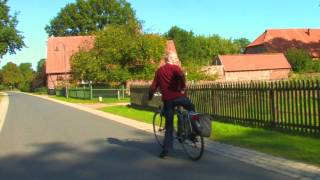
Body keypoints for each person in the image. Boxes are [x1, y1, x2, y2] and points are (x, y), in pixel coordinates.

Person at [148, 52, 195, 159]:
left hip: (168, 101)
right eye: (175, 58)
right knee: (191, 108)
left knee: (169, 125)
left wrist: (150, 96)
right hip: (179, 97)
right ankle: (192, 131)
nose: (176, 60)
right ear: (171, 59)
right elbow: (181, 75)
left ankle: (166, 150)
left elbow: (153, 87)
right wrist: (182, 87)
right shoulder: (175, 68)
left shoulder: (159, 71)